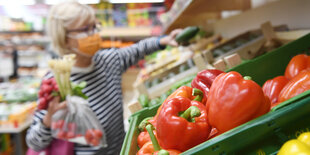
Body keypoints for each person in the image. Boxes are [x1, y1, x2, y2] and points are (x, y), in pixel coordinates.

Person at [26, 1, 181, 155]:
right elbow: (34, 142)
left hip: (120, 149)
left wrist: (163, 41)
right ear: (65, 37)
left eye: (95, 27)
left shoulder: (108, 60)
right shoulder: (58, 80)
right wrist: (48, 120)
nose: (94, 34)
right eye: (85, 29)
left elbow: (137, 50)